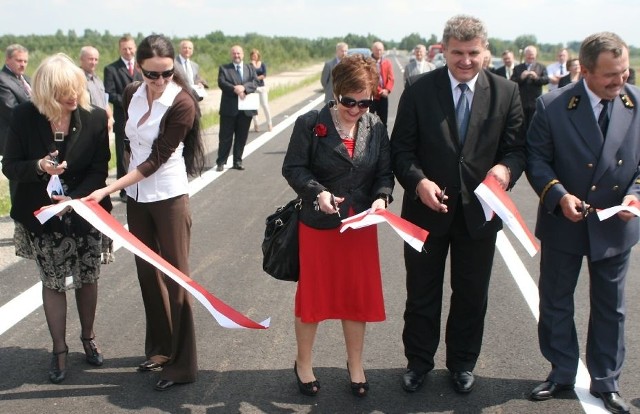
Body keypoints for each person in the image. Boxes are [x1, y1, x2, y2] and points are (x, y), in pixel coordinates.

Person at [390, 14, 525, 395]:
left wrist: (504, 168)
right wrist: (419, 184)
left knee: (471, 295)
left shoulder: (506, 92)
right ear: (443, 51)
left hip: (479, 215)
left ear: (486, 52)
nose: (465, 60)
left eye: (473, 53)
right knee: (421, 294)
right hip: (424, 214)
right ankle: (418, 362)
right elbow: (401, 149)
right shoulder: (418, 88)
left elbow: (517, 150)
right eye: (457, 53)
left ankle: (462, 364)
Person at [84, 34, 205, 392]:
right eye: (152, 75)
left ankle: (183, 365)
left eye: (167, 73)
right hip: (136, 196)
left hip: (168, 195)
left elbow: (155, 160)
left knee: (176, 278)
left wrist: (108, 187)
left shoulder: (182, 103)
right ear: (139, 68)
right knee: (147, 274)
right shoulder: (130, 93)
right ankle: (161, 349)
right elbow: (128, 142)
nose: (160, 81)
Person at [526, 31, 638, 414]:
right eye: (610, 75)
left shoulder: (636, 103)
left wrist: (635, 194)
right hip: (565, 220)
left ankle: (606, 381)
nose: (619, 81)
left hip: (615, 221)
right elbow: (537, 160)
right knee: (556, 300)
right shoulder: (553, 105)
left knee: (611, 306)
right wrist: (559, 196)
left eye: (624, 72)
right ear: (585, 71)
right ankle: (561, 372)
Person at [282, 54, 394, 398]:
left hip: (360, 226)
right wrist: (318, 193)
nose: (357, 108)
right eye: (350, 101)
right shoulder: (310, 123)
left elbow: (384, 174)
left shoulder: (375, 126)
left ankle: (355, 363)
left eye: (365, 102)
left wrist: (381, 199)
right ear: (336, 91)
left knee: (355, 297)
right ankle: (303, 363)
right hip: (318, 225)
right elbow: (294, 169)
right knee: (314, 296)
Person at [1, 53, 113, 384]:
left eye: (77, 88)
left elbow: (99, 169)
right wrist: (38, 166)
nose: (74, 96)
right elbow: (10, 165)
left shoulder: (92, 117)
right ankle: (59, 350)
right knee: (52, 282)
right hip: (42, 216)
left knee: (88, 277)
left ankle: (88, 337)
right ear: (47, 91)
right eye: (66, 91)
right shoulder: (24, 116)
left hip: (83, 212)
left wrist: (75, 200)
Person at [104, 34, 143, 202]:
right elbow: (110, 93)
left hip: (142, 117)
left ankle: (139, 184)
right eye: (124, 48)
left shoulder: (143, 67)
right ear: (120, 49)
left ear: (135, 48)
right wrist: (129, 101)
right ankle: (123, 190)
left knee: (140, 151)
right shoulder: (111, 69)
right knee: (122, 154)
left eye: (130, 48)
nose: (128, 51)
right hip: (122, 118)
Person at [215, 45, 258, 172]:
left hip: (246, 109)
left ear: (243, 54)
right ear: (231, 55)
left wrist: (244, 88)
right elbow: (221, 82)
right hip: (229, 109)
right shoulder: (224, 68)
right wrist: (235, 89)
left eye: (238, 53)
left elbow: (255, 82)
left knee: (241, 137)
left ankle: (237, 161)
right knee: (225, 137)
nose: (236, 56)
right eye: (234, 53)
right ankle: (221, 162)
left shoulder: (250, 68)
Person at [0, 44, 31, 155]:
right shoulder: (2, 80)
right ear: (7, 59)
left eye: (25, 61)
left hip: (28, 139)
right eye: (19, 61)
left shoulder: (27, 79)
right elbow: (12, 110)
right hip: (10, 142)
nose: (23, 65)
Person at [512, 45, 548, 131]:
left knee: (534, 126)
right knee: (521, 126)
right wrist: (521, 77)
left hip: (535, 102)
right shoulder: (518, 68)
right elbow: (512, 83)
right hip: (521, 102)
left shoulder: (541, 67)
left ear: (535, 55)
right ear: (525, 55)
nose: (530, 57)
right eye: (528, 54)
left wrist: (536, 78)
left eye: (532, 54)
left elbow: (546, 80)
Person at [79, 46, 114, 132]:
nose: (94, 62)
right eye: (90, 59)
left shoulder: (98, 79)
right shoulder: (77, 79)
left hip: (101, 126)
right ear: (81, 59)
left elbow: (104, 101)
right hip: (86, 127)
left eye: (96, 59)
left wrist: (110, 118)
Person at [370, 41, 394, 127]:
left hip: (384, 96)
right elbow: (369, 80)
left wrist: (387, 90)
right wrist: (380, 91)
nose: (378, 52)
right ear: (372, 50)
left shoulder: (387, 62)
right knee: (368, 121)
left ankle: (383, 140)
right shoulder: (368, 62)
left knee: (383, 122)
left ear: (383, 50)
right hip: (371, 96)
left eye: (380, 50)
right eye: (376, 50)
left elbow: (391, 78)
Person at [250, 48, 272, 132]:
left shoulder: (262, 64)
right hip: (253, 88)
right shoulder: (250, 65)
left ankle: (269, 123)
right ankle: (256, 124)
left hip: (262, 87)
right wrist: (252, 66)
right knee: (254, 107)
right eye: (253, 55)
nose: (254, 57)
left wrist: (256, 78)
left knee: (265, 105)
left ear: (258, 56)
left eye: (255, 55)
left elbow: (264, 75)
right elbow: (250, 75)